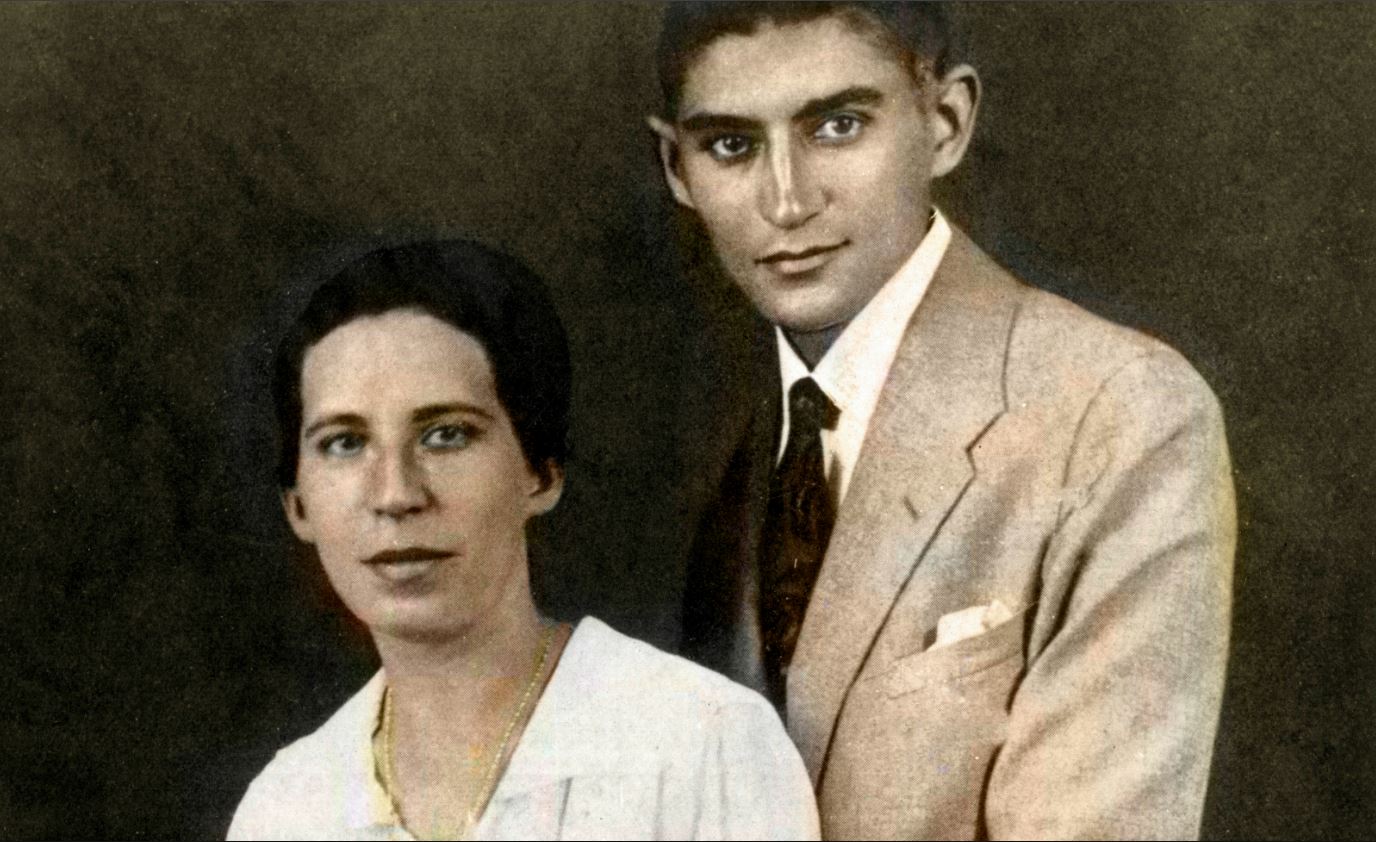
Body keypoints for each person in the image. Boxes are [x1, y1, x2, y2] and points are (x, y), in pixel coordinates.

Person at [647, 3, 1236, 839]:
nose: (787, 200)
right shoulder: (743, 462)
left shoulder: (1121, 413)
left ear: (947, 122)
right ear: (677, 167)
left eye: (838, 126)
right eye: (732, 146)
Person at [227, 240, 818, 840]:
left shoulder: (704, 744)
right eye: (345, 443)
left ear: (540, 473)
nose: (396, 494)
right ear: (297, 504)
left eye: (446, 434)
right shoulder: (284, 810)